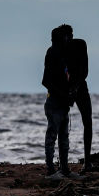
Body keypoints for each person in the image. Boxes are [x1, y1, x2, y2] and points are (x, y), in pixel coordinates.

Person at [41, 24, 80, 179]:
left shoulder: (63, 55)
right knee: (52, 136)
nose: (69, 39)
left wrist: (70, 93)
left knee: (64, 137)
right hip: (54, 103)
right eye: (66, 37)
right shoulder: (52, 53)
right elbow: (46, 81)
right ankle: (50, 171)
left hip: (63, 104)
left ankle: (64, 170)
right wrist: (63, 95)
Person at [60, 25, 93, 171]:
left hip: (80, 85)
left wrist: (75, 87)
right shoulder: (58, 48)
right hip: (64, 88)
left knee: (88, 121)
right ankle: (63, 163)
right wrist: (66, 90)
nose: (68, 38)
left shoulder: (80, 44)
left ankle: (87, 161)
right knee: (61, 124)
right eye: (65, 36)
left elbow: (84, 70)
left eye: (70, 35)